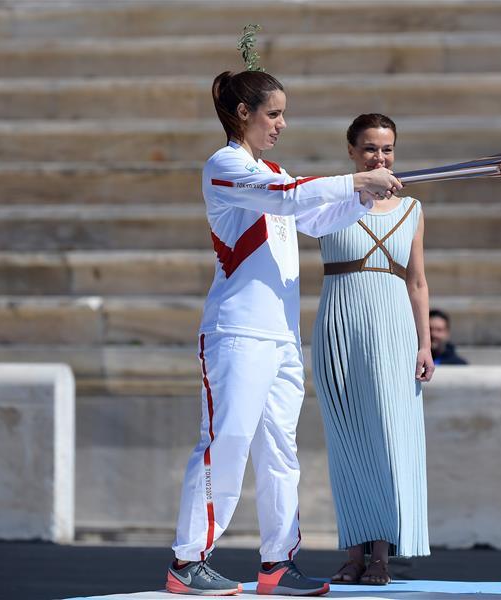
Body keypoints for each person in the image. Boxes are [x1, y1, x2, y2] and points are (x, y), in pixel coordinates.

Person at [166, 72, 402, 597]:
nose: (281, 124)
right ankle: (188, 562)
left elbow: (314, 217)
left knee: (281, 451)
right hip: (235, 333)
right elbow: (290, 198)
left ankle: (277, 563)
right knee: (225, 443)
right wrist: (358, 181)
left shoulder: (272, 169)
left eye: (282, 114)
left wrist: (363, 198)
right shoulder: (225, 167)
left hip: (280, 337)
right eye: (273, 114)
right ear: (243, 113)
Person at [312, 113, 434, 586]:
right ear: (351, 151)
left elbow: (418, 281)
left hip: (392, 327)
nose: (379, 157)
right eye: (368, 148)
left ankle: (381, 554)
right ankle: (352, 554)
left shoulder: (412, 210)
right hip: (339, 323)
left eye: (386, 149)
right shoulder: (328, 201)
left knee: (387, 436)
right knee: (346, 440)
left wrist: (425, 345)